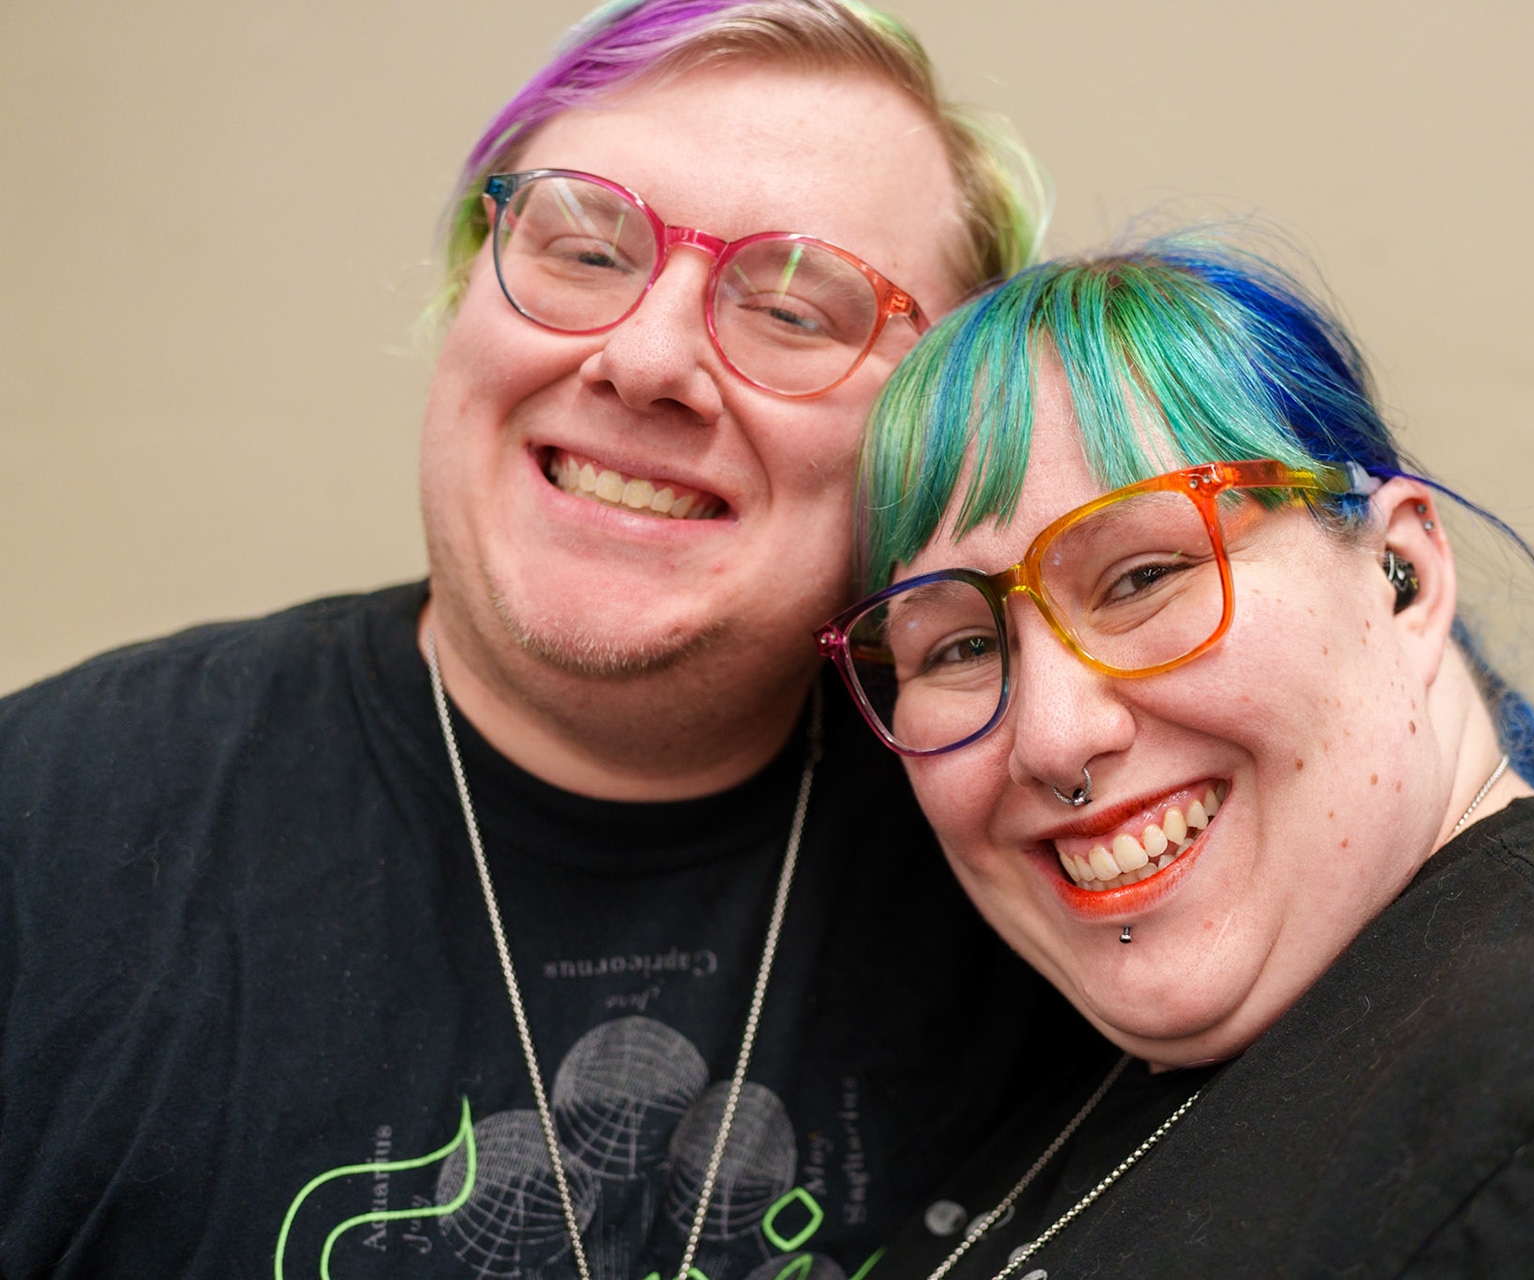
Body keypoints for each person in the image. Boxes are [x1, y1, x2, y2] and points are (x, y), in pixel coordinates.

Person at [0, 4, 1102, 1278]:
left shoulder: (1045, 842)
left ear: (933, 438)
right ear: (465, 288)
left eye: (796, 313)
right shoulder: (46, 823)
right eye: (583, 249)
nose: (645, 358)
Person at [820, 235, 1534, 1277]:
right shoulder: (1069, 1048)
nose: (1054, 737)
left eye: (1145, 575)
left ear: (1404, 576)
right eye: (960, 647)